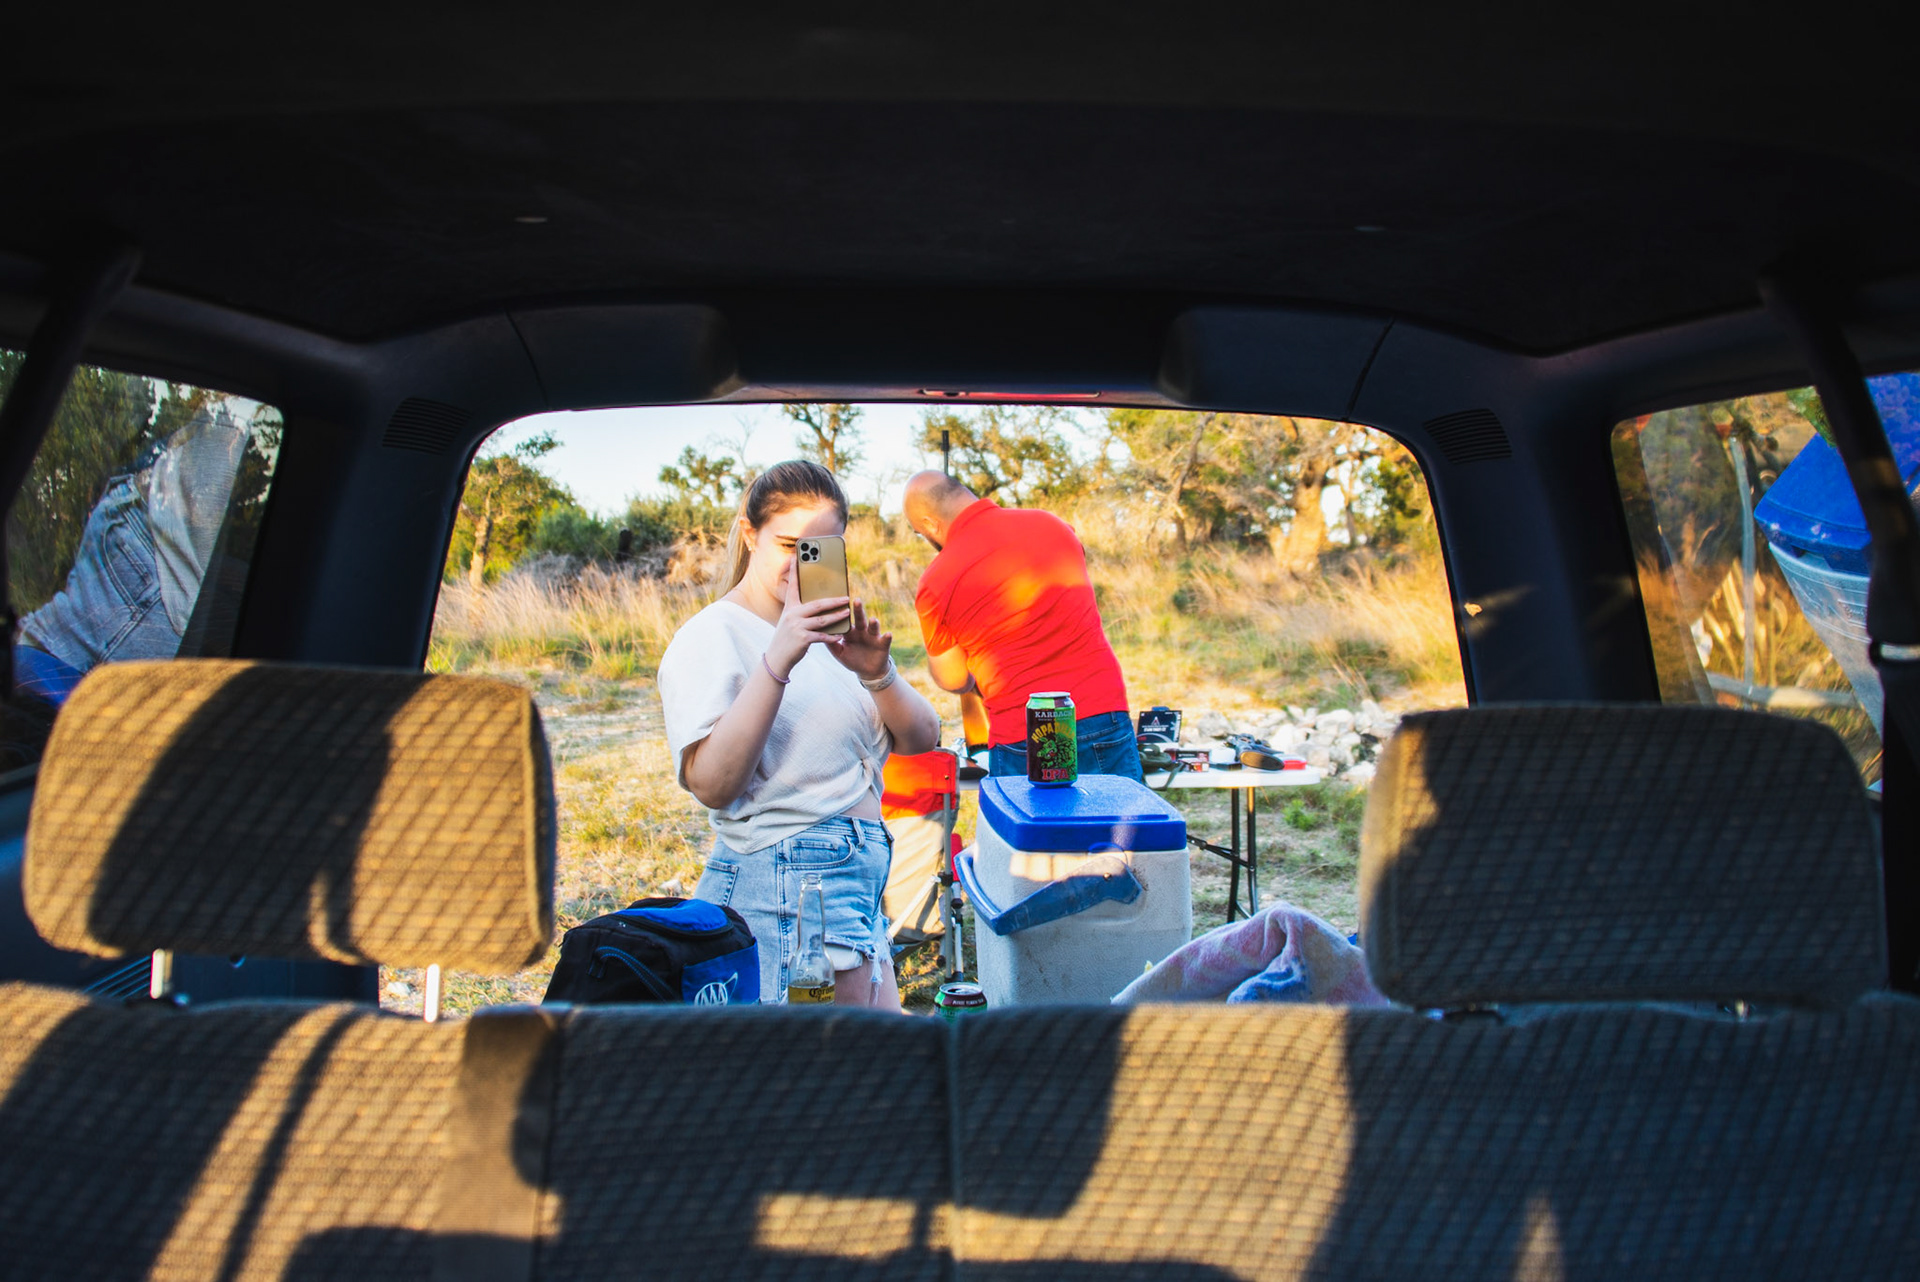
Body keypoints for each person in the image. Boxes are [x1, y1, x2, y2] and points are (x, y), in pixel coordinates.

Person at [659, 460, 940, 1007]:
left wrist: (877, 672)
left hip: (855, 889)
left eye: (820, 550)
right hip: (787, 886)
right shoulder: (713, 634)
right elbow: (713, 785)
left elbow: (922, 737)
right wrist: (779, 658)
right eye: (790, 545)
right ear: (750, 534)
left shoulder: (832, 636)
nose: (802, 564)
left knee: (881, 1051)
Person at [903, 470, 1142, 782]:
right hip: (1100, 710)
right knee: (1118, 815)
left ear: (930, 524)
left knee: (1034, 817)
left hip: (1021, 731)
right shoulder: (1053, 525)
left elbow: (955, 679)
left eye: (920, 533)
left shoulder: (935, 581)